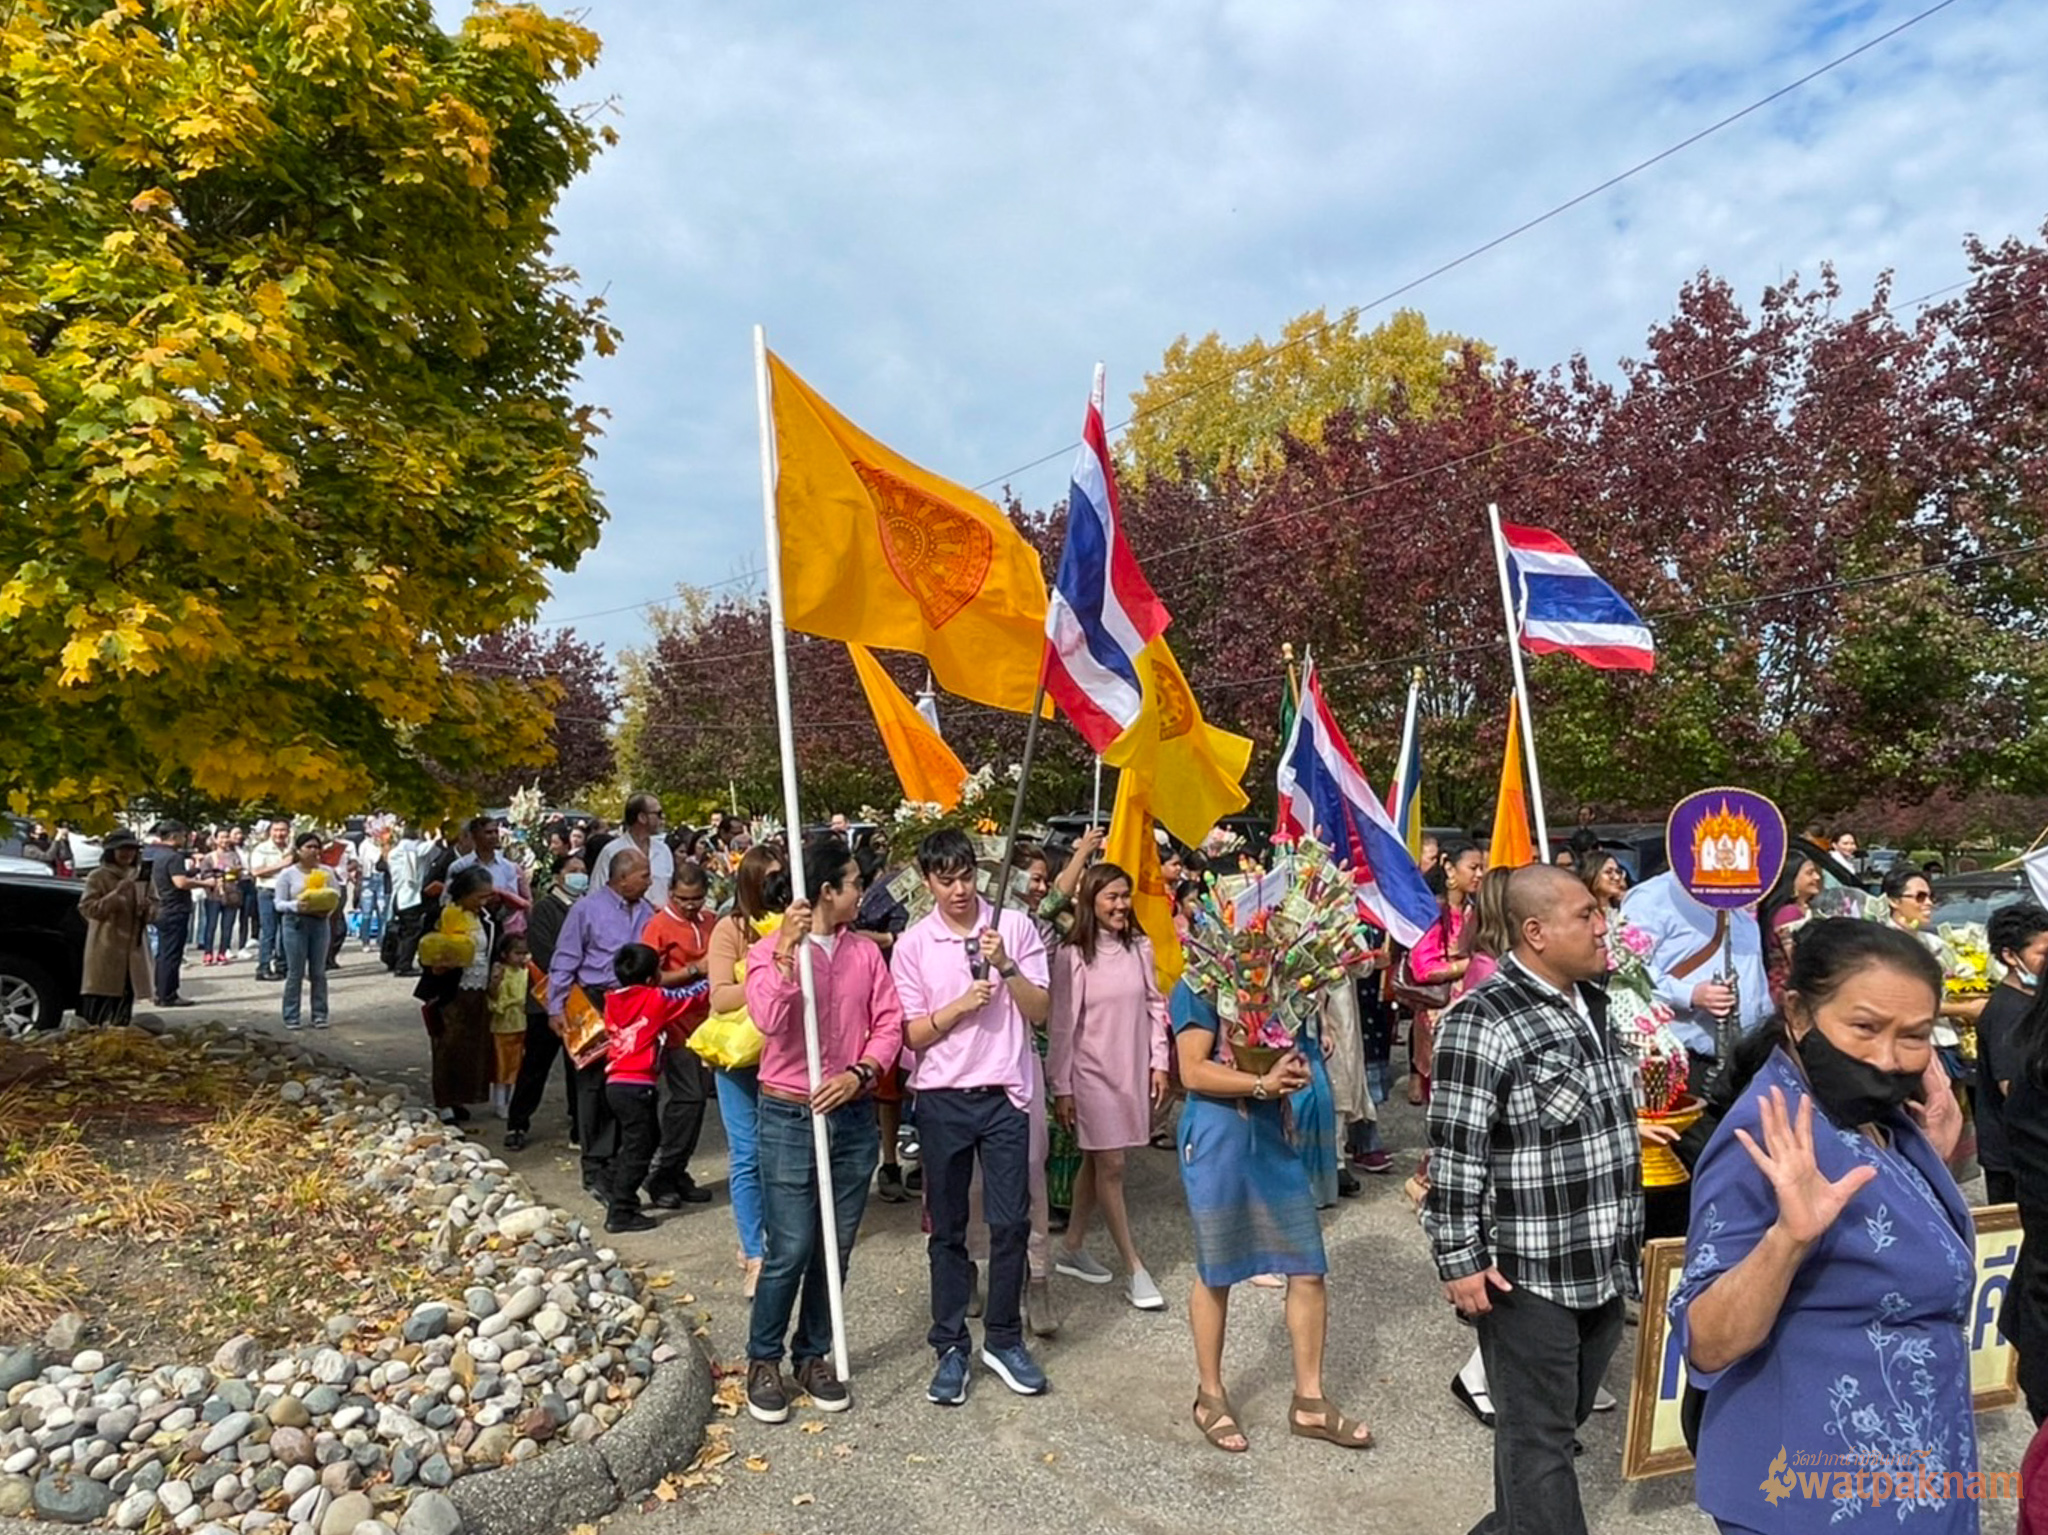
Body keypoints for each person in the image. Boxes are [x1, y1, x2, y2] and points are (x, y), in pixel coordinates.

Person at [1671, 919, 1978, 1531]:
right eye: (1864, 1027)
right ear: (1800, 1014)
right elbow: (1706, 1342)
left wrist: (1929, 1162)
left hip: (1913, 1476)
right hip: (1817, 1496)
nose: (1888, 1057)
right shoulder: (1768, 1135)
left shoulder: (1875, 1116)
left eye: (1914, 1036)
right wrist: (1789, 1239)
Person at [1425, 865, 1640, 1535]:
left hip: (1601, 1262)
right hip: (1528, 1270)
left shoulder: (1595, 1002)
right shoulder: (1482, 1018)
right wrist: (1459, 1258)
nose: (1602, 924)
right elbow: (1455, 1151)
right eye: (1586, 914)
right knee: (1540, 1438)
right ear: (1536, 931)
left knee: (1554, 1420)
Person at [1171, 972, 1373, 1454]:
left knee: (1307, 1265)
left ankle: (1309, 1399)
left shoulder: (1277, 985)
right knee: (1216, 1268)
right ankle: (1210, 1395)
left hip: (1271, 1135)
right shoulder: (1197, 985)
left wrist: (1294, 1072)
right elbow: (1193, 1071)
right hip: (1218, 1133)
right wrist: (1262, 1083)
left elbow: (1291, 1054)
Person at [740, 834, 902, 1423]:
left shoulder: (863, 952)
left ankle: (813, 1354)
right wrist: (786, 948)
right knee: (792, 1245)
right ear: (827, 891)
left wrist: (862, 1072)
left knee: (836, 1246)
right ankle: (763, 1358)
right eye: (855, 881)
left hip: (852, 1113)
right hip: (789, 1113)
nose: (863, 890)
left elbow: (889, 1022)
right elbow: (768, 1016)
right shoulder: (773, 950)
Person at [892, 828, 1053, 1405]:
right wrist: (960, 1006)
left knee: (1012, 1222)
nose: (958, 890)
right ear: (928, 881)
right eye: (945, 879)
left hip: (1005, 1095)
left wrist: (1006, 966)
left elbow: (1041, 1012)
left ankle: (1004, 1337)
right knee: (948, 1229)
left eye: (965, 876)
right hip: (941, 1098)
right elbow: (909, 1034)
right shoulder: (912, 944)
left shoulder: (1013, 926)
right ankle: (950, 1344)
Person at [1047, 862, 1170, 1311]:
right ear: (1091, 902)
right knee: (1113, 1165)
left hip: (1130, 1068)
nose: (1120, 905)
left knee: (1098, 1162)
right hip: (1090, 1073)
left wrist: (1159, 1061)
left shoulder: (1140, 946)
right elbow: (1062, 1025)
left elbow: (1157, 1006)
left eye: (1124, 896)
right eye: (1111, 897)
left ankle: (1074, 1245)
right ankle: (1135, 1268)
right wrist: (1061, 1085)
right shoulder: (1073, 954)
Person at [548, 849, 658, 1199]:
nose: (649, 881)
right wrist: (556, 1006)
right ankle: (595, 1165)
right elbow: (565, 958)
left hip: (635, 1001)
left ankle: (622, 1166)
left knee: (628, 1083)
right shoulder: (586, 909)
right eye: (643, 875)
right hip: (596, 1001)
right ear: (621, 877)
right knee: (593, 1085)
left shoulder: (647, 910)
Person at [707, 845, 787, 1298]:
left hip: (787, 1053)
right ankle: (754, 1251)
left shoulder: (800, 925)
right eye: (770, 879)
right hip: (740, 1057)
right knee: (748, 1153)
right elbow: (719, 998)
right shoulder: (730, 929)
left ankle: (784, 1239)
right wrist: (767, 975)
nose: (778, 888)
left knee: (786, 1153)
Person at [1622, 868, 1771, 1099]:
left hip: (1746, 1061)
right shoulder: (1654, 895)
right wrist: (1690, 994)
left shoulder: (1741, 894)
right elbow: (1626, 971)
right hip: (1689, 1063)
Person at [600, 942, 708, 1234]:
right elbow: (692, 996)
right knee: (641, 1148)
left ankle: (612, 1179)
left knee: (641, 1140)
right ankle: (620, 1209)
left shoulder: (611, 1000)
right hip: (638, 1085)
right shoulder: (656, 998)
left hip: (615, 1083)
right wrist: (719, 973)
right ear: (651, 978)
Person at [638, 863, 717, 1208]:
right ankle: (661, 1174)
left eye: (697, 898)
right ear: (671, 893)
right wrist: (694, 970)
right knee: (687, 1101)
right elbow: (647, 977)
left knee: (696, 1103)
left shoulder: (711, 921)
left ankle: (677, 1170)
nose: (690, 906)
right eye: (684, 899)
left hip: (711, 1024)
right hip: (676, 1027)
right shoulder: (658, 926)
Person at [505, 856, 588, 1151]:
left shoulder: (586, 907)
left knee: (579, 1066)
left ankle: (581, 1127)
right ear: (557, 877)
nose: (579, 876)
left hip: (581, 1001)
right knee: (535, 1064)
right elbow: (544, 954)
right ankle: (517, 1122)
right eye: (572, 871)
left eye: (582, 871)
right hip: (547, 1000)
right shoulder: (544, 909)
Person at [1977, 901, 2048, 1208]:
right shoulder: (2007, 1012)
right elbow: (2012, 1087)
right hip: (2015, 1161)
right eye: (2043, 955)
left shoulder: (2033, 1003)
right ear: (2009, 955)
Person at [415, 865, 498, 1124]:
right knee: (447, 1046)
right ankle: (445, 1102)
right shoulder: (442, 915)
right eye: (479, 896)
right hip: (450, 992)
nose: (484, 901)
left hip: (478, 990)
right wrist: (439, 965)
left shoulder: (487, 919)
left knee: (472, 1047)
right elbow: (426, 952)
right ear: (464, 893)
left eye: (487, 896)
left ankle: (462, 1096)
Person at [1406, 838, 1484, 1104]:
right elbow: (1423, 969)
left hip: (1474, 1011)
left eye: (1481, 868)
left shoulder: (1476, 911)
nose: (1479, 874)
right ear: (1450, 869)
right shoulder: (1433, 913)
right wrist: (1468, 965)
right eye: (1473, 867)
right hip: (1440, 1014)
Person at [77, 829, 156, 1025]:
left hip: (134, 949)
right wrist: (115, 895)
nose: (128, 854)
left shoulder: (141, 876)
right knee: (102, 995)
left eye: (132, 850)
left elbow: (155, 909)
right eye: (123, 849)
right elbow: (88, 909)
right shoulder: (98, 876)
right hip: (106, 946)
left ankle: (120, 1034)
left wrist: (147, 909)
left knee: (126, 995)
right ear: (111, 852)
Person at [144, 820, 212, 1006]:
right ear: (174, 836)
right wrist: (206, 884)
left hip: (160, 907)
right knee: (172, 955)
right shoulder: (173, 857)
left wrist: (195, 869)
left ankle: (159, 992)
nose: (186, 839)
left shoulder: (154, 854)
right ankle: (168, 995)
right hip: (174, 908)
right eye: (183, 835)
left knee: (163, 954)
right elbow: (180, 882)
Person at [272, 832, 335, 1032]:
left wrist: (327, 909)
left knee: (318, 971)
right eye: (309, 847)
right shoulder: (288, 874)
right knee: (295, 972)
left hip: (320, 922)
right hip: (295, 923)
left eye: (317, 847)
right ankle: (291, 1015)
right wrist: (296, 906)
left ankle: (320, 1014)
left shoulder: (327, 872)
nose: (314, 851)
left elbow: (336, 895)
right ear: (298, 850)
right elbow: (278, 903)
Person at [1759, 847, 1824, 1011]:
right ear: (1791, 879)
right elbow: (1795, 957)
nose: (1816, 877)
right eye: (1809, 873)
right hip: (1788, 990)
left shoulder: (1803, 908)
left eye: (1816, 872)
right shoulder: (1789, 913)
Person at [449, 816, 532, 937]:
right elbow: (448, 900)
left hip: (502, 927)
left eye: (495, 832)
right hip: (468, 927)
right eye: (488, 833)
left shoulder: (508, 867)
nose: (493, 836)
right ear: (474, 836)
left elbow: (515, 902)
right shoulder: (460, 866)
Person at [486, 929, 531, 1120]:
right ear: (505, 954)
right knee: (501, 1065)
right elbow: (493, 998)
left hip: (522, 1023)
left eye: (524, 953)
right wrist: (495, 982)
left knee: (517, 1065)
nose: (521, 957)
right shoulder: (500, 972)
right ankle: (499, 1102)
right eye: (517, 953)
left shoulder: (526, 971)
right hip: (502, 1025)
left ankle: (511, 1101)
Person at [591, 793, 674, 896]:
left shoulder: (663, 850)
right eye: (658, 813)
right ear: (642, 817)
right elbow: (596, 893)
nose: (663, 817)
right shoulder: (612, 851)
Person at [249, 820, 295, 982]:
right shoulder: (262, 849)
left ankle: (282, 966)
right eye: (276, 830)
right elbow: (257, 872)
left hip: (287, 894)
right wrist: (281, 865)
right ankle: (263, 967)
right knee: (268, 931)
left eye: (283, 830)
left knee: (285, 931)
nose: (279, 834)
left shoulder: (291, 850)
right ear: (270, 832)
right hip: (267, 892)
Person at [197, 828, 243, 967]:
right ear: (215, 839)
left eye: (227, 837)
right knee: (211, 925)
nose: (225, 840)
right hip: (213, 894)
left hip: (231, 894)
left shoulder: (234, 856)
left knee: (227, 926)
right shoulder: (209, 857)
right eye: (222, 837)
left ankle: (223, 952)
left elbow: (240, 873)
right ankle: (208, 952)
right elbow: (204, 874)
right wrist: (217, 876)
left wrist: (234, 873)